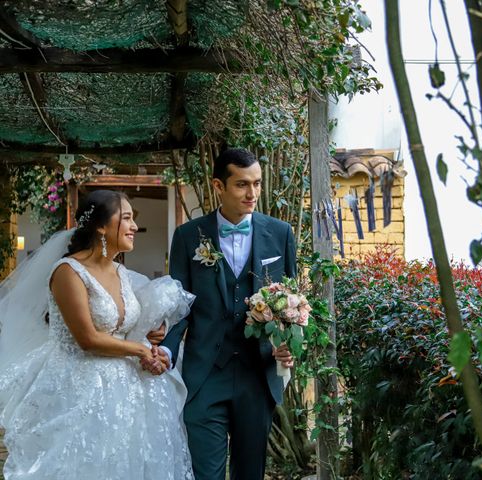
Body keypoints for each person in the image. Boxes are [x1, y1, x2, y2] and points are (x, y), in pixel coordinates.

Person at [0, 190, 193, 480]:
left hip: (129, 393)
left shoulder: (121, 271)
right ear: (101, 226)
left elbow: (128, 321)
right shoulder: (68, 272)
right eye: (126, 218)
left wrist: (155, 333)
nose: (133, 227)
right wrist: (140, 351)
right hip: (78, 389)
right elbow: (87, 338)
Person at [155, 148, 296, 480]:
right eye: (242, 185)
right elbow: (180, 306)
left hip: (257, 375)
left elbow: (290, 303)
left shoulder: (280, 234)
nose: (252, 194)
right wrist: (165, 349)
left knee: (250, 472)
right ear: (218, 186)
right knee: (206, 473)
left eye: (257, 184)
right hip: (205, 375)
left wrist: (287, 344)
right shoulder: (189, 236)